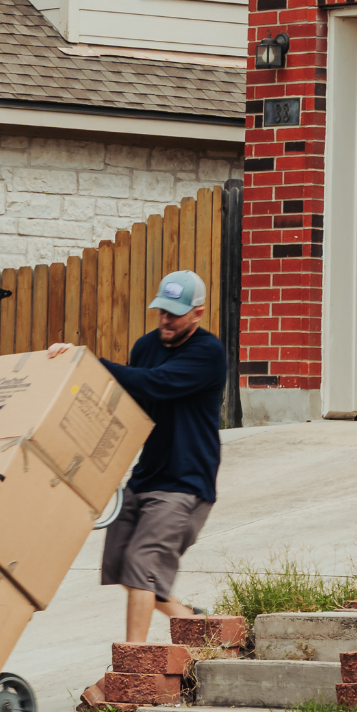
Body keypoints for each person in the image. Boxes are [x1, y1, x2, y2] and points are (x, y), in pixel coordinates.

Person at [50, 269, 226, 643]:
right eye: (162, 311)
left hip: (186, 483)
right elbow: (132, 405)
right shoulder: (146, 347)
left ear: (197, 313)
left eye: (175, 314)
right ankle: (195, 624)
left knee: (143, 567)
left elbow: (156, 384)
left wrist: (89, 361)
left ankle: (135, 661)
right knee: (122, 565)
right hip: (147, 475)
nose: (165, 320)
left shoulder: (208, 353)